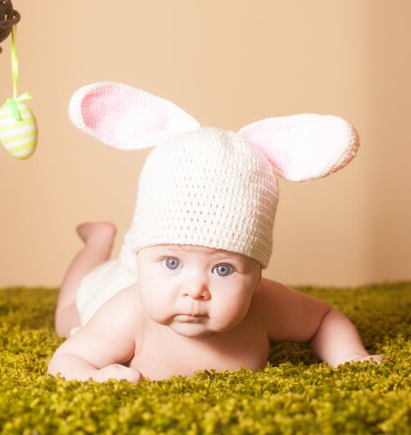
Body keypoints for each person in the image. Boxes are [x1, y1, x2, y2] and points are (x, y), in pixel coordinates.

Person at [48, 82, 383, 382]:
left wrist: (351, 358)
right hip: (106, 290)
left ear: (256, 274)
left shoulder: (266, 303)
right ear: (141, 254)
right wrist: (96, 377)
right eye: (171, 263)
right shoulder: (125, 314)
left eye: (223, 269)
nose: (195, 290)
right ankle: (98, 240)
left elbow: (324, 318)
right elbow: (68, 359)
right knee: (66, 318)